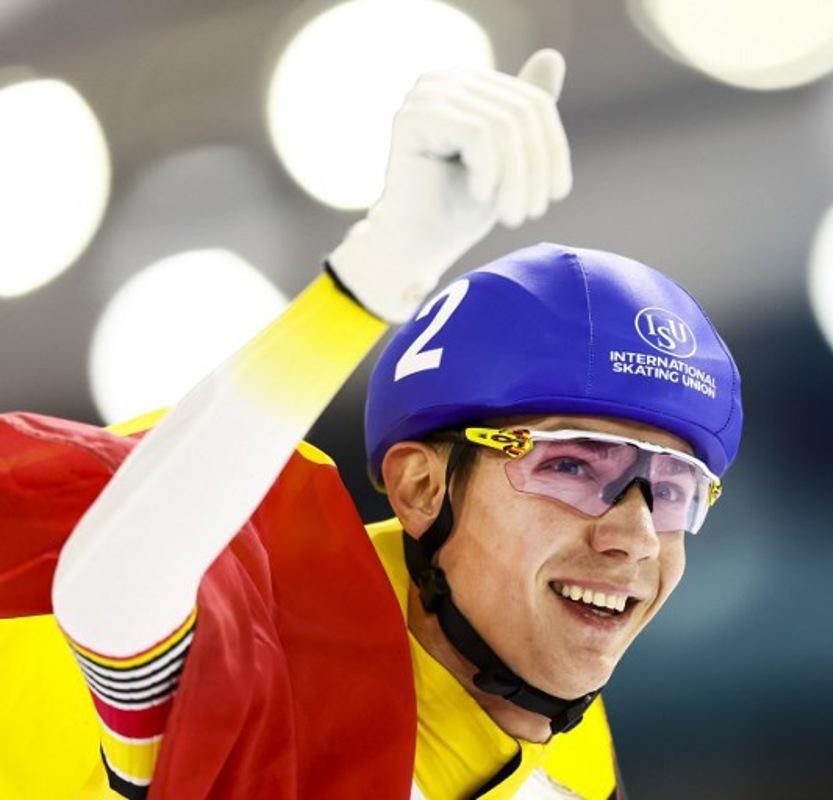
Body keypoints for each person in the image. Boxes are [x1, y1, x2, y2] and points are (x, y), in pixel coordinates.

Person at [0, 49, 742, 800]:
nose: (634, 537)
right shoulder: (279, 642)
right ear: (421, 487)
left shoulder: (572, 765)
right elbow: (112, 588)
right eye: (573, 465)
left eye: (672, 490)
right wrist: (375, 272)